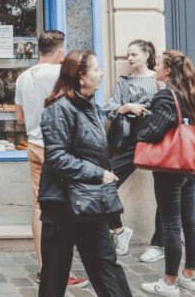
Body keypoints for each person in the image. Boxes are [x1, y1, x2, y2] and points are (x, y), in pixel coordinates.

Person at [38, 50, 132, 297]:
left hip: (90, 203)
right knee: (54, 278)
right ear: (81, 77)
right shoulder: (59, 109)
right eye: (96, 69)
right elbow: (57, 158)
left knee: (107, 268)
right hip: (60, 205)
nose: (101, 73)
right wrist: (98, 174)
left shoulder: (90, 107)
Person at [14, 30, 88, 289]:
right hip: (58, 148)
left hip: (33, 144)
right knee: (63, 209)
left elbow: (19, 119)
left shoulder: (23, 77)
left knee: (38, 206)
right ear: (59, 51)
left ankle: (45, 268)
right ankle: (61, 271)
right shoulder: (60, 74)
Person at [138, 50, 195, 296]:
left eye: (157, 65)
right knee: (189, 221)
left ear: (168, 70)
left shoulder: (166, 95)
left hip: (170, 169)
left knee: (170, 225)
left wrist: (143, 123)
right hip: (190, 165)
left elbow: (154, 132)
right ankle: (190, 275)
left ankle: (168, 282)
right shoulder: (192, 92)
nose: (154, 67)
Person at [102, 39, 164, 260]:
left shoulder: (160, 79)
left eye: (133, 54)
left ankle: (160, 243)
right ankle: (118, 230)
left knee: (165, 192)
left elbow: (168, 107)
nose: (129, 58)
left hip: (157, 138)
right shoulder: (124, 81)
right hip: (129, 141)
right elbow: (108, 109)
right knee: (105, 182)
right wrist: (127, 107)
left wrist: (151, 106)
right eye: (127, 55)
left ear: (147, 55)